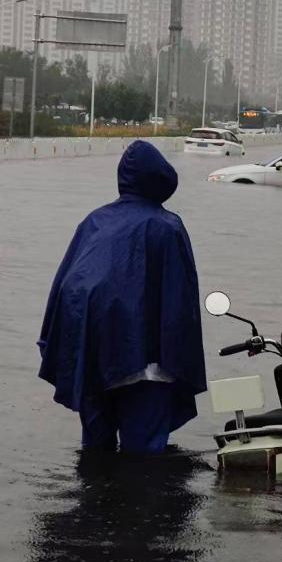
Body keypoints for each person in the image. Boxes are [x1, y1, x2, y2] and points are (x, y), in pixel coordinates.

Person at [37, 141, 207, 453]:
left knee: (95, 455)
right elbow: (180, 306)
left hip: (91, 359)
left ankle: (94, 501)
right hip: (146, 367)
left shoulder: (94, 222)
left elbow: (66, 288)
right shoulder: (167, 227)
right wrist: (182, 363)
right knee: (143, 463)